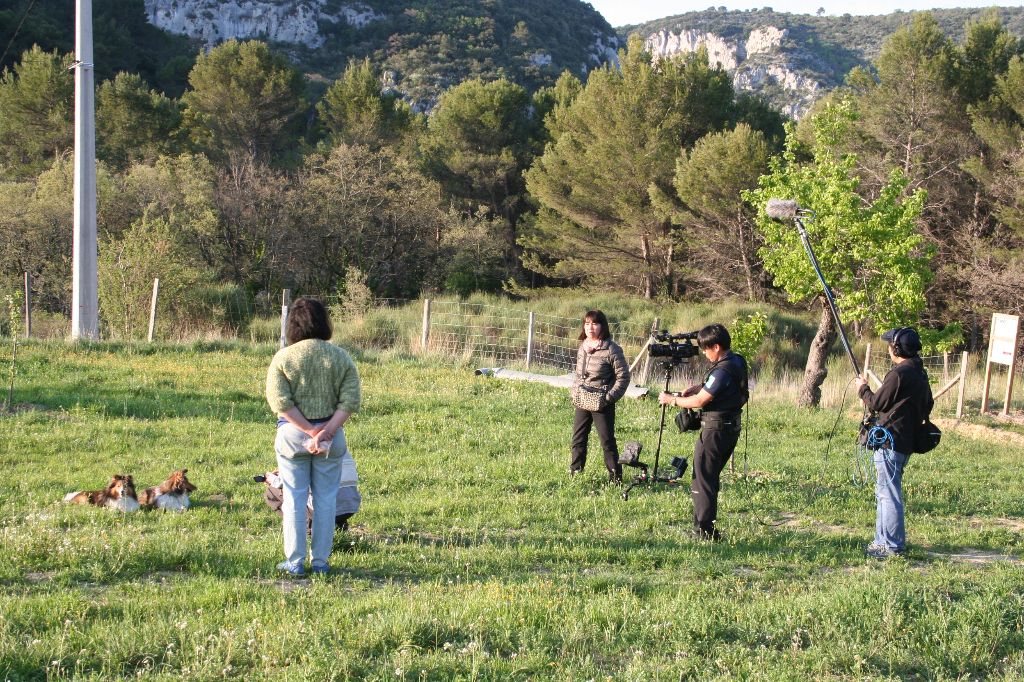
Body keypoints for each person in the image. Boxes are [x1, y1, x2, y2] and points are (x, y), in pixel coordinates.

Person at [265, 297, 361, 576]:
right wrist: (325, 432)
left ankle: (294, 562)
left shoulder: (283, 358)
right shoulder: (341, 357)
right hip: (331, 438)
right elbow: (350, 401)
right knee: (326, 498)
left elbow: (279, 402)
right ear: (324, 322)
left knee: (294, 498)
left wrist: (309, 431)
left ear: (291, 326)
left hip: (292, 436)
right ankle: (320, 562)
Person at [659, 323, 747, 541]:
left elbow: (700, 401)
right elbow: (712, 388)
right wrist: (696, 387)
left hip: (715, 431)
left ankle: (704, 530)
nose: (705, 353)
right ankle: (706, 525)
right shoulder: (736, 360)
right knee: (710, 477)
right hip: (729, 428)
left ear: (716, 347)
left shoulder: (723, 369)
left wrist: (672, 400)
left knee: (702, 479)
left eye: (706, 349)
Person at [854, 327, 933, 559]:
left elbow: (876, 402)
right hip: (905, 440)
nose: (889, 348)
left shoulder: (899, 374)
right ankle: (881, 542)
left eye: (891, 345)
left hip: (891, 442)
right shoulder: (920, 373)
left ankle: (892, 546)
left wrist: (863, 388)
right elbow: (928, 404)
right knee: (885, 491)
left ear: (897, 348)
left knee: (889, 494)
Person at [570, 310, 631, 482]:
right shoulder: (583, 346)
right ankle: (575, 474)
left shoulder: (612, 349)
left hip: (602, 402)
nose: (591, 328)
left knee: (607, 442)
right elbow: (578, 373)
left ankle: (615, 479)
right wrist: (575, 391)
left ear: (602, 326)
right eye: (587, 323)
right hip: (582, 399)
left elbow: (624, 377)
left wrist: (608, 398)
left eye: (595, 324)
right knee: (578, 439)